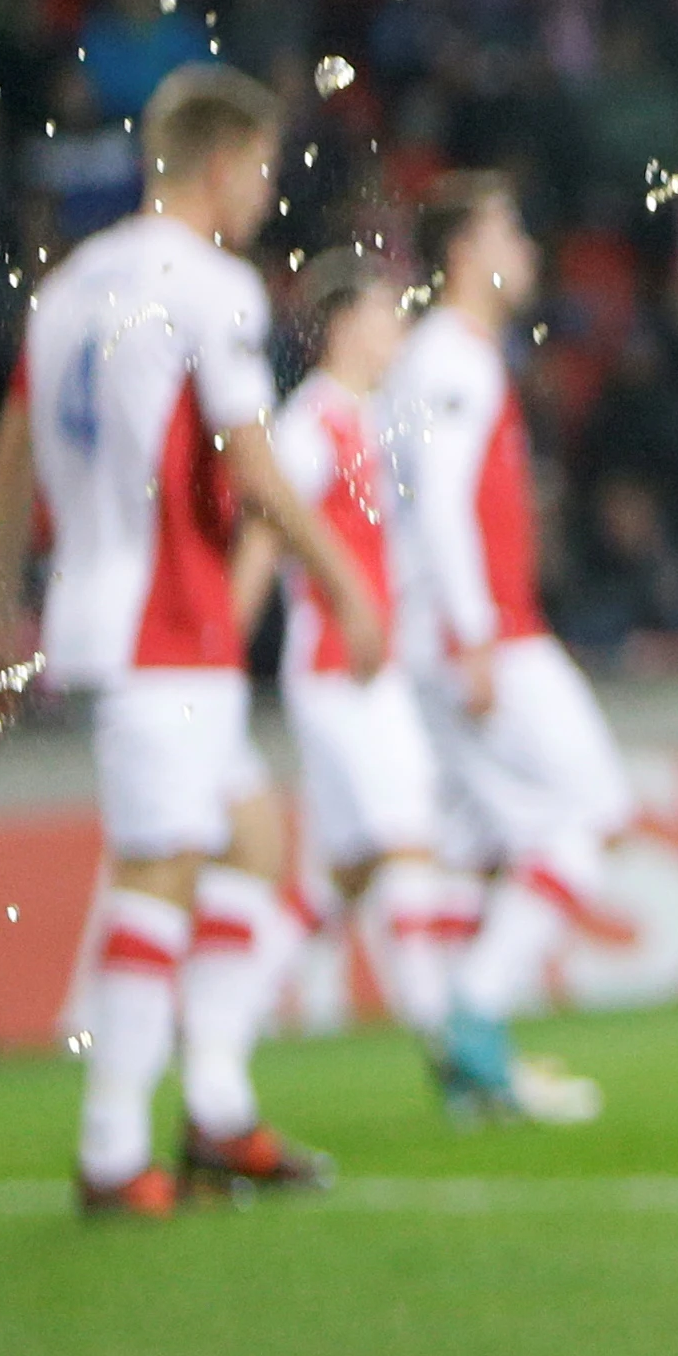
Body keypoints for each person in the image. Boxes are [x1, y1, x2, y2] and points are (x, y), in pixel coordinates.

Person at [0, 64, 386, 1216]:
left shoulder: (69, 285)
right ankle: (111, 1155)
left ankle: (217, 1112)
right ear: (218, 165)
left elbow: (5, 457)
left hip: (117, 614)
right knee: (160, 871)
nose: (266, 193)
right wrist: (344, 579)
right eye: (260, 171)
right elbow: (251, 466)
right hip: (164, 622)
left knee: (250, 841)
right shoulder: (211, 286)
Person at [388, 173, 618, 1126]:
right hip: (482, 635)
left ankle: (472, 1067)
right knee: (591, 811)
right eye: (511, 232)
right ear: (467, 251)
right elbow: (439, 501)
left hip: (445, 634)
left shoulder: (440, 356)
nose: (527, 251)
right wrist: (475, 634)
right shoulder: (452, 355)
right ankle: (473, 1023)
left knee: (493, 841)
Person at [236, 262, 481, 1077]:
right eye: (387, 317)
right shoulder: (311, 424)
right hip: (342, 670)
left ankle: (226, 1016)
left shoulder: (375, 421)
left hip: (375, 670)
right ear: (344, 327)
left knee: (344, 874)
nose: (399, 334)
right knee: (409, 838)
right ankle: (452, 1048)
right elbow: (269, 525)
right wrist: (226, 637)